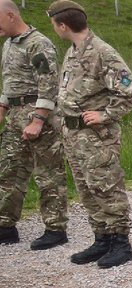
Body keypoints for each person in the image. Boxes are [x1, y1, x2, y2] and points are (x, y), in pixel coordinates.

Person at [46, 0, 132, 268]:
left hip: (96, 135)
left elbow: (129, 89)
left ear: (62, 25)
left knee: (106, 186)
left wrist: (106, 114)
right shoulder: (74, 51)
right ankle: (102, 238)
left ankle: (122, 243)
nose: (54, 29)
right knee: (87, 188)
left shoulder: (102, 52)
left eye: (54, 24)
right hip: (75, 136)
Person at [0, 0, 68, 250]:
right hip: (14, 117)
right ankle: (5, 226)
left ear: (10, 15)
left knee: (48, 174)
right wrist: (2, 107)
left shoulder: (38, 43)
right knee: (9, 171)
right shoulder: (8, 44)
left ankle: (55, 228)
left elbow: (49, 83)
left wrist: (38, 119)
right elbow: (10, 82)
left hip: (38, 117)